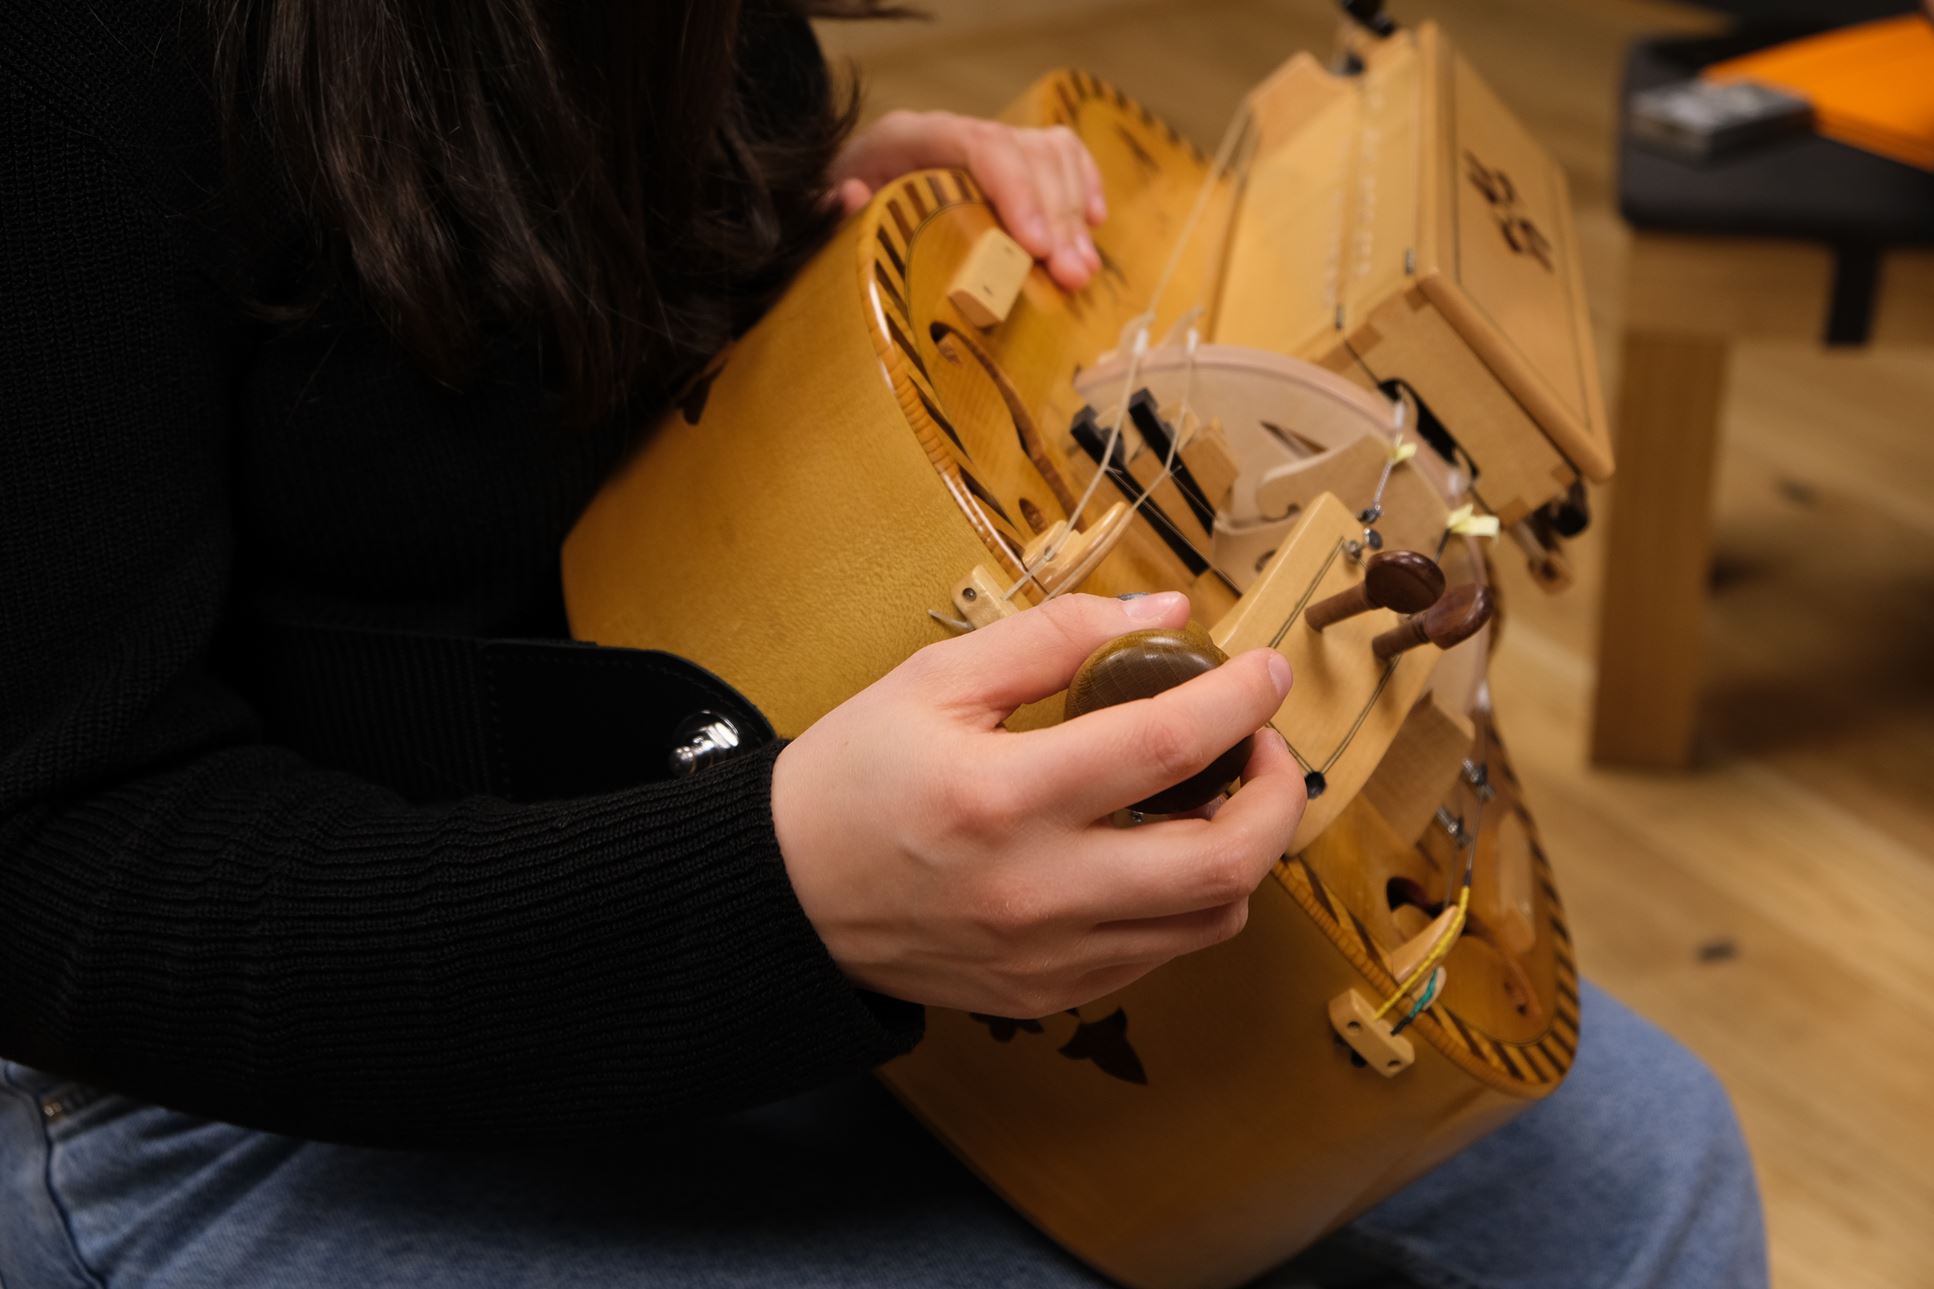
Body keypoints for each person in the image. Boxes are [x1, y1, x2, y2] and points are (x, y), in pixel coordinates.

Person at [0, 1, 1766, 1285]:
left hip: (674, 800)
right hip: (222, 1067)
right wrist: (779, 902)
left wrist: (772, 252)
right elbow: (52, 862)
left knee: (1647, 1168)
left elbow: (428, 399)